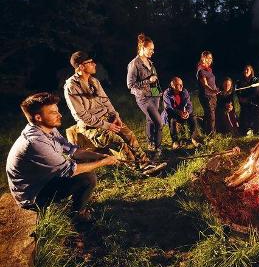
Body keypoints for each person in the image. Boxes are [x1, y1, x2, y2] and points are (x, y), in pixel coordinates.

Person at [6, 93, 118, 221]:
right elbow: (70, 170)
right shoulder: (35, 142)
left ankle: (76, 203)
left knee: (80, 164)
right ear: (38, 117)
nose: (60, 115)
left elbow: (72, 150)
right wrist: (104, 162)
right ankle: (78, 216)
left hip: (42, 179)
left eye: (57, 111)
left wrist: (98, 155)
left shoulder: (47, 129)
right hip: (32, 195)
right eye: (53, 112)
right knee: (88, 178)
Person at [64, 51, 159, 175]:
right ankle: (136, 169)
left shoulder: (94, 81)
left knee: (129, 135)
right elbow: (82, 115)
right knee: (117, 140)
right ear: (81, 66)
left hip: (107, 119)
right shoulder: (71, 86)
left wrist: (116, 116)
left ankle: (145, 163)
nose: (94, 64)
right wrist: (107, 125)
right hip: (91, 126)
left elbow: (106, 101)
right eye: (90, 62)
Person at [127, 33, 164, 158]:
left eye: (153, 49)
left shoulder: (149, 62)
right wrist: (148, 80)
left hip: (154, 95)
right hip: (143, 98)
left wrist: (158, 92)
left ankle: (151, 143)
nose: (152, 52)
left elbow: (155, 79)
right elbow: (130, 85)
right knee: (159, 123)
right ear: (142, 48)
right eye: (150, 49)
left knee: (150, 119)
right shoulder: (134, 64)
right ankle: (158, 149)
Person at [161, 77, 200, 149]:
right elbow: (168, 108)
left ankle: (193, 138)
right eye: (178, 85)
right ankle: (175, 141)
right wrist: (179, 112)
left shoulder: (184, 91)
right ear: (173, 86)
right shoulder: (167, 93)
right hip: (173, 112)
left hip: (183, 112)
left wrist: (187, 112)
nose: (181, 86)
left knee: (193, 116)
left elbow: (189, 104)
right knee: (172, 119)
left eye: (182, 84)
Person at [236, 65, 259, 135]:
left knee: (254, 118)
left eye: (247, 70)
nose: (246, 71)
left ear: (251, 71)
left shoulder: (255, 80)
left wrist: (248, 99)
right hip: (244, 104)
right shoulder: (240, 81)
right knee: (243, 124)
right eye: (245, 70)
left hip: (253, 103)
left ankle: (253, 129)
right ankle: (245, 130)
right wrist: (241, 98)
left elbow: (257, 91)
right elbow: (237, 91)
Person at [196, 51, 218, 135]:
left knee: (209, 115)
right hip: (206, 96)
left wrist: (216, 89)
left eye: (211, 58)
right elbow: (205, 84)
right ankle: (211, 136)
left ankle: (206, 132)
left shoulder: (209, 70)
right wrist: (213, 91)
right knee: (211, 116)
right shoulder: (201, 70)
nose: (210, 60)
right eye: (208, 58)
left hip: (213, 95)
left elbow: (212, 82)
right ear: (203, 58)